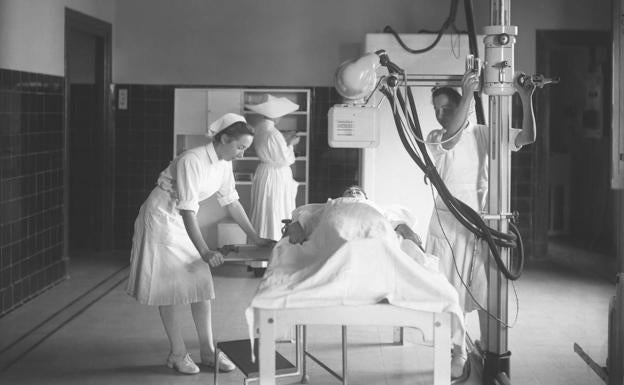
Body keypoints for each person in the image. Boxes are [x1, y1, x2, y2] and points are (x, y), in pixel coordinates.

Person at [126, 113, 273, 375]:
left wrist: (256, 237)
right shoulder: (192, 160)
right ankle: (177, 353)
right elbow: (187, 211)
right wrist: (204, 250)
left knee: (201, 283)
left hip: (181, 217)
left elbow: (231, 201)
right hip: (161, 218)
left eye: (245, 149)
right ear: (224, 138)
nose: (241, 154)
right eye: (240, 147)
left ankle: (207, 351)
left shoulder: (224, 162)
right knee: (168, 286)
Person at [425, 70, 536, 377]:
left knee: (485, 292)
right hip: (448, 229)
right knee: (451, 295)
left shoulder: (484, 134)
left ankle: (490, 348)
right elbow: (451, 138)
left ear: (462, 107)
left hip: (479, 227)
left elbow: (527, 137)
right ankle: (457, 353)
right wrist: (469, 93)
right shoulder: (436, 138)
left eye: (447, 108)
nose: (440, 115)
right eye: (437, 110)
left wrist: (526, 99)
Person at [285, 185, 424, 250]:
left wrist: (406, 229)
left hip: (372, 230)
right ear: (342, 196)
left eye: (357, 191)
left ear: (366, 198)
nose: (353, 192)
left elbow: (392, 220)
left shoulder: (373, 206)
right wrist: (296, 225)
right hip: (337, 230)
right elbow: (312, 216)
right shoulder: (334, 203)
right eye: (349, 191)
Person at [248, 94, 301, 241]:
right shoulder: (273, 133)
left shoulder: (259, 129)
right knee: (275, 208)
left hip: (265, 172)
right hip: (275, 175)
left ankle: (261, 251)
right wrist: (291, 143)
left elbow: (274, 151)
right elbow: (284, 159)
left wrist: (285, 141)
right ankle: (275, 245)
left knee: (265, 209)